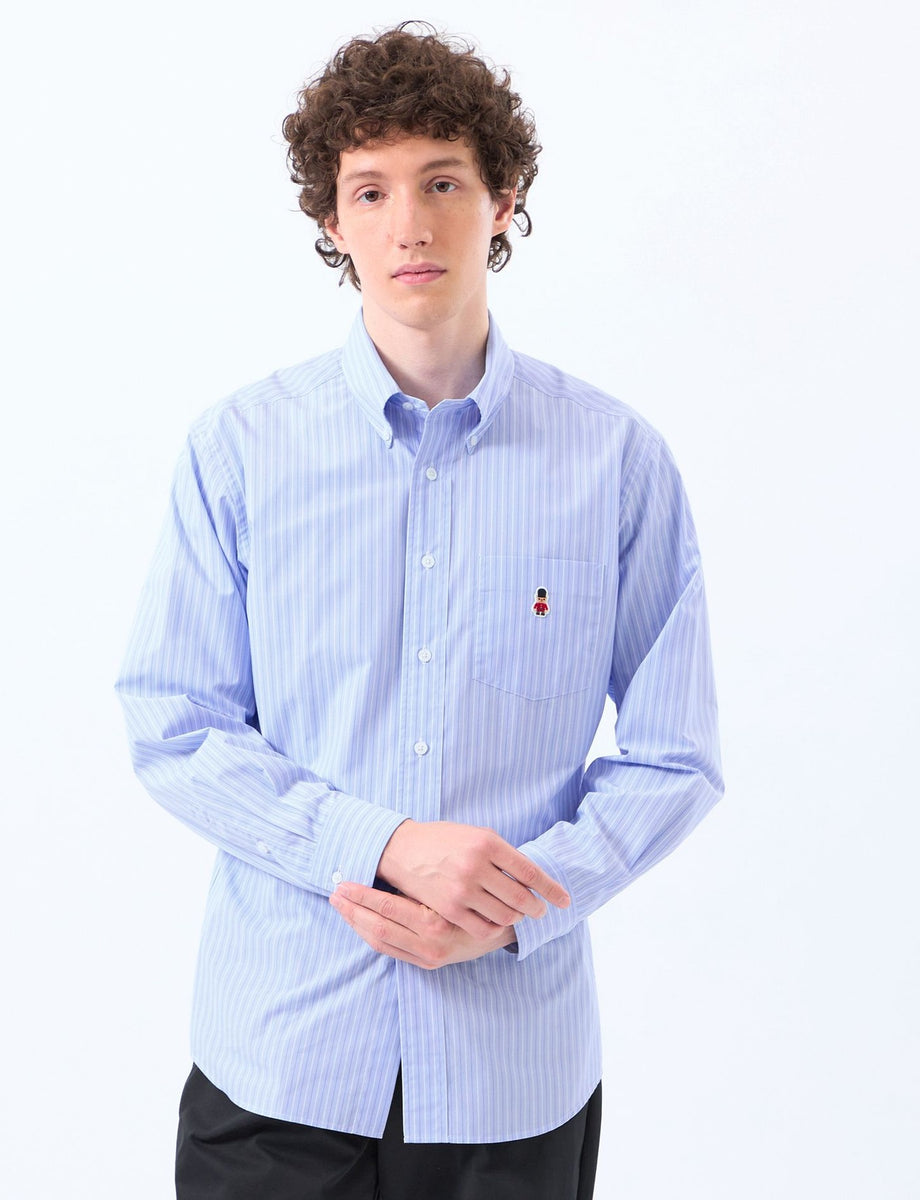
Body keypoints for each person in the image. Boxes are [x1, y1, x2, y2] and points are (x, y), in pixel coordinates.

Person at [116, 21, 723, 1200]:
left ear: (503, 201)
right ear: (331, 221)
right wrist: (383, 846)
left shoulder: (615, 462)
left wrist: (514, 912)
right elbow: (174, 723)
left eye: (443, 182)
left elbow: (675, 757)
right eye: (371, 189)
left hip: (510, 1078)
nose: (410, 223)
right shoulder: (240, 450)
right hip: (281, 1058)